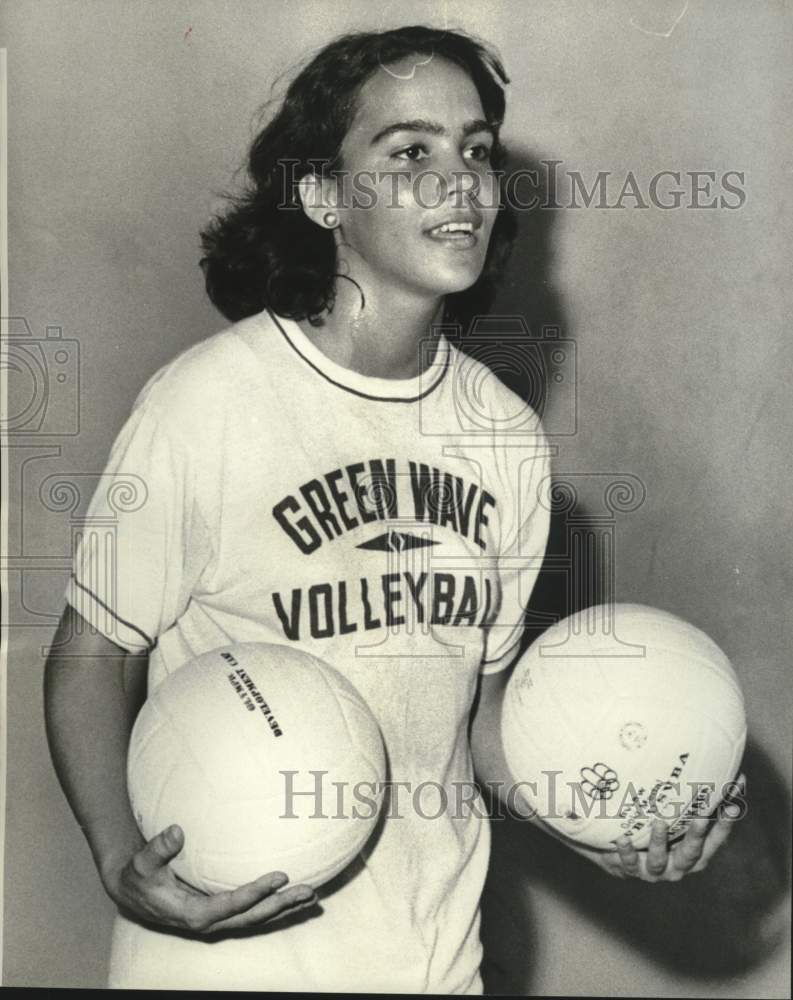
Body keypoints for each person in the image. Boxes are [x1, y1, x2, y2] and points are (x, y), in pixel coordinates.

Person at [44, 24, 744, 993]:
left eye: (476, 150)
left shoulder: (506, 440)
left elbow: (480, 719)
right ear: (323, 194)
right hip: (227, 960)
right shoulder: (209, 402)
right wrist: (121, 858)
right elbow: (89, 656)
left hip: (434, 961)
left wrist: (604, 822)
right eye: (410, 151)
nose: (459, 179)